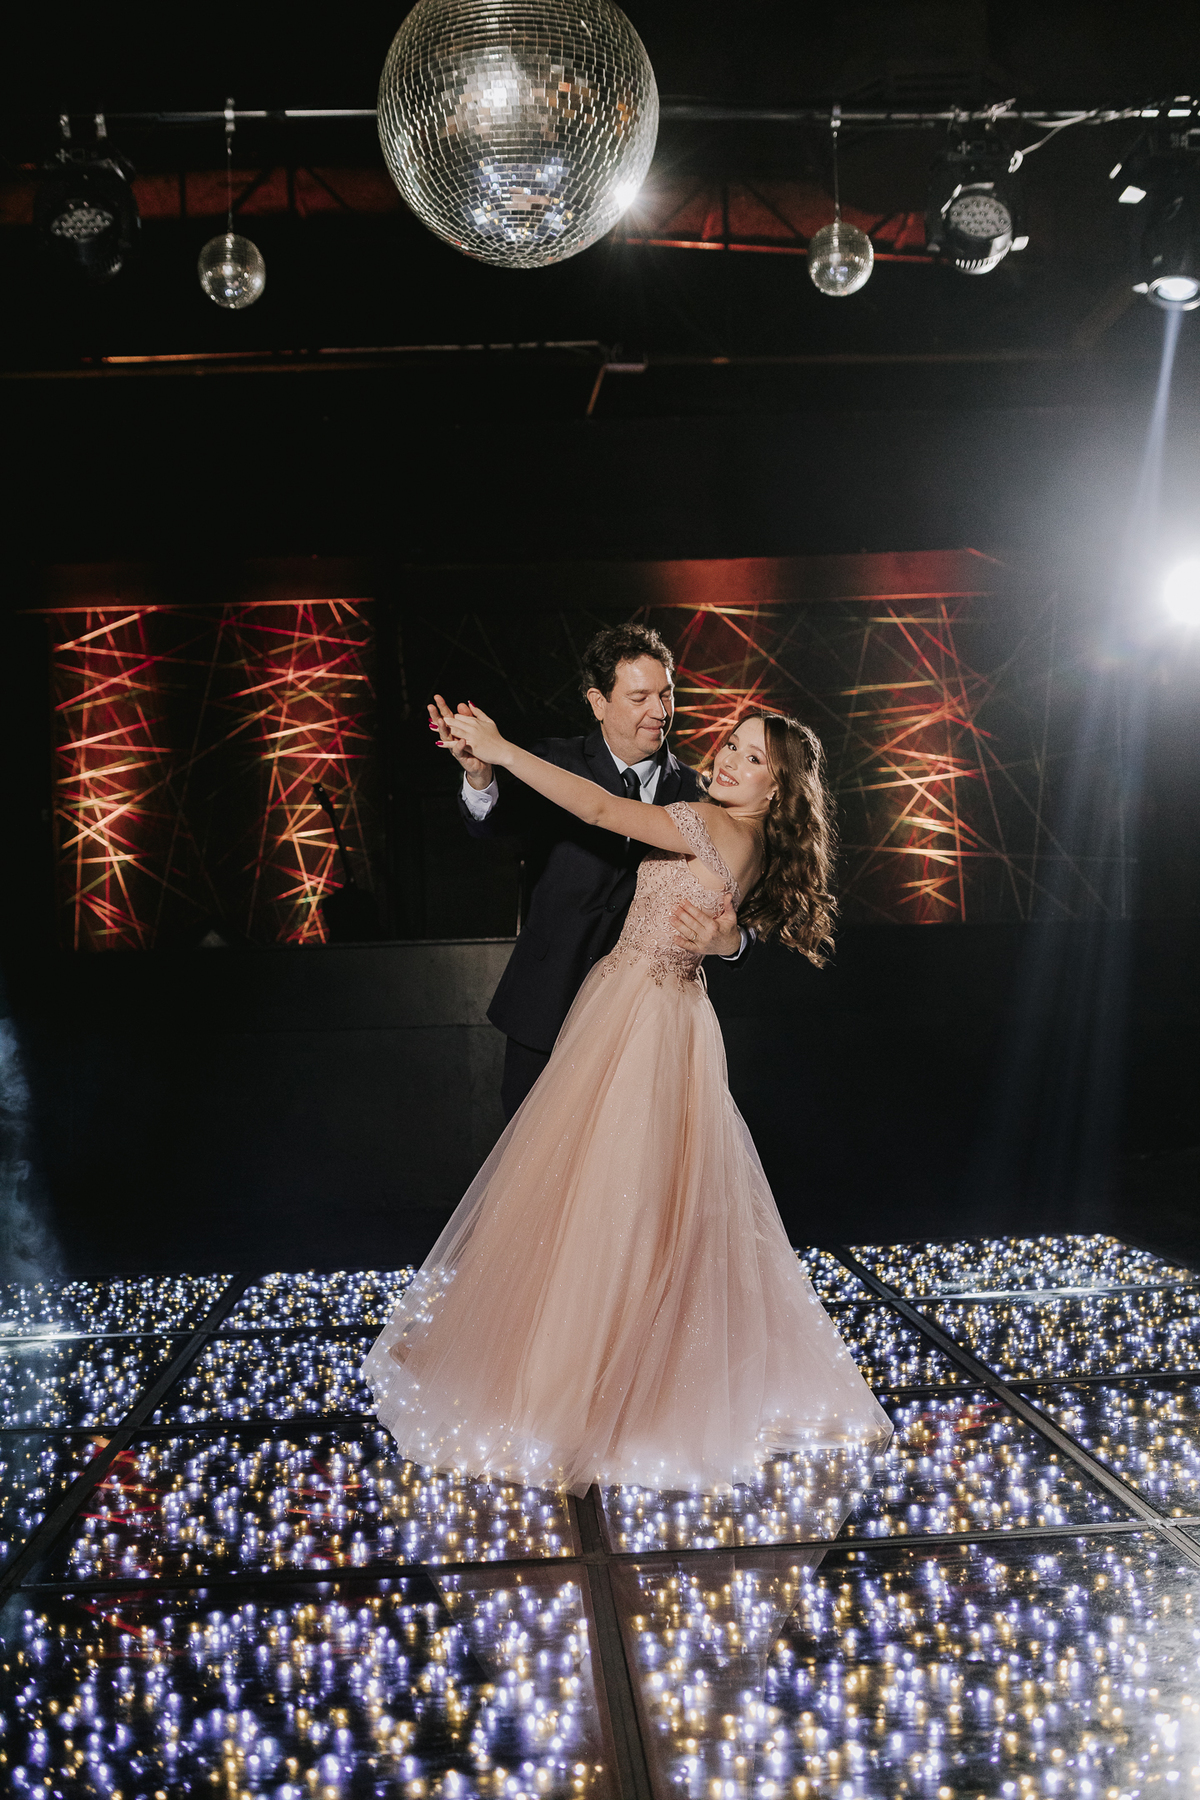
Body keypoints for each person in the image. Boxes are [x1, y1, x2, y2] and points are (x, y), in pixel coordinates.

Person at [363, 705, 891, 1495]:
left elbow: (601, 809)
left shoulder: (712, 823)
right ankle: (598, 1381)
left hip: (643, 1019)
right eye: (732, 745)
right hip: (653, 1007)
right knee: (622, 1206)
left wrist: (504, 748)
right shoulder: (733, 830)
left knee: (610, 1206)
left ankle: (575, 1397)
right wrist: (728, 941)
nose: (729, 759)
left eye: (754, 759)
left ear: (778, 791)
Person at [433, 622, 748, 1119]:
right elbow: (491, 824)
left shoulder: (700, 794)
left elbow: (749, 895)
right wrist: (480, 776)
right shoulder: (550, 761)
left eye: (667, 694)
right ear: (599, 702)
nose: (660, 711)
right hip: (546, 1004)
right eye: (640, 697)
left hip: (642, 1023)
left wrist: (734, 943)